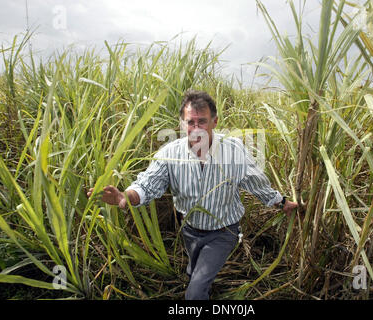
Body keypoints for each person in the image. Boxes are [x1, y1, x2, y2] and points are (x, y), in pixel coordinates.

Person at [87, 89, 298, 300]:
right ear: (182, 123)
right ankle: (198, 276)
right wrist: (126, 196)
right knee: (193, 271)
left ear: (215, 121)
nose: (196, 129)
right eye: (190, 122)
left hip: (224, 232)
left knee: (195, 293)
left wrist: (282, 203)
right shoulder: (170, 154)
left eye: (202, 122)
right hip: (189, 229)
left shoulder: (234, 150)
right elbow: (148, 183)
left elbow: (255, 182)